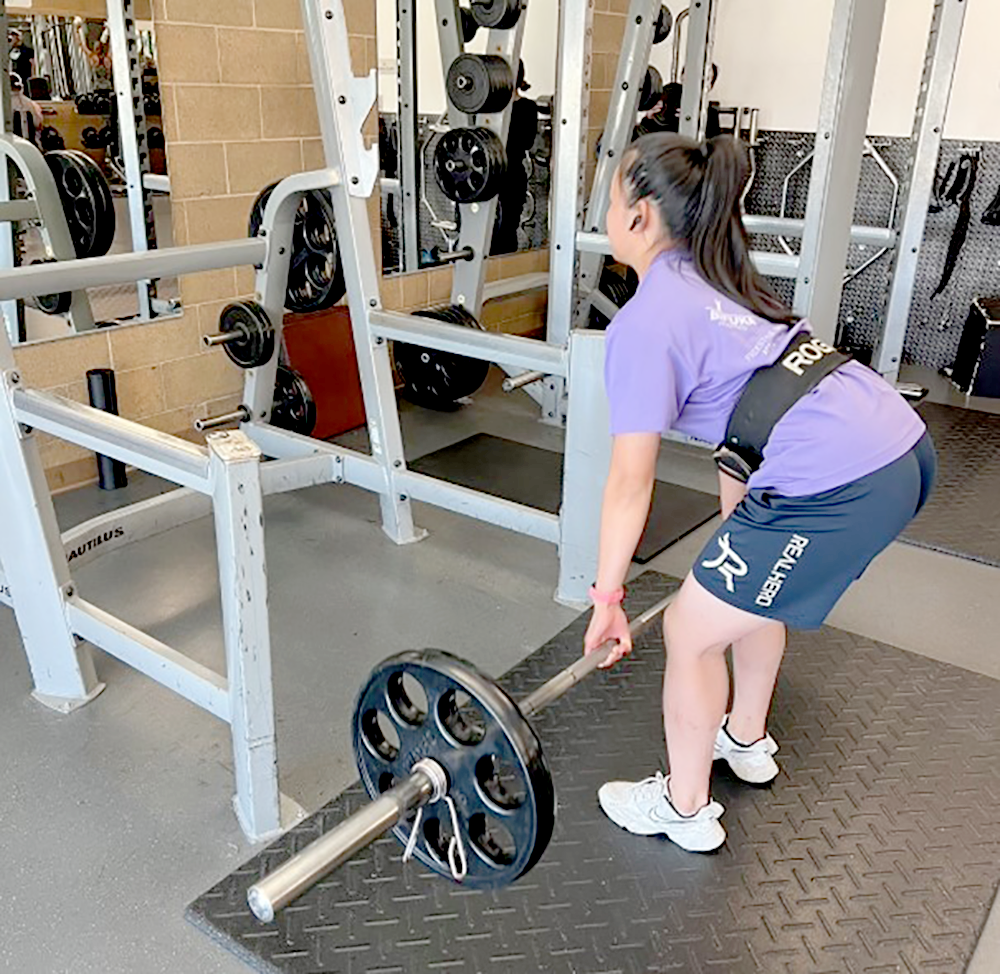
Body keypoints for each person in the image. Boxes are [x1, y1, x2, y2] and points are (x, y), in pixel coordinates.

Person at [583, 133, 936, 853]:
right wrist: (735, 538)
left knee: (688, 632)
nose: (607, 209)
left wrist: (607, 599)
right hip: (899, 444)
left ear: (642, 215)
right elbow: (749, 420)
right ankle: (742, 738)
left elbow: (629, 482)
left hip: (842, 480)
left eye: (613, 195)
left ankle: (685, 810)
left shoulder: (646, 325)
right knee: (742, 598)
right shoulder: (724, 276)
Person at [490, 60, 538, 256]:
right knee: (485, 234)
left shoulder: (527, 107)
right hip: (488, 179)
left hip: (511, 179)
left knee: (506, 232)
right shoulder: (490, 109)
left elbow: (525, 142)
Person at [10, 73, 43, 147]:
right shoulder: (31, 105)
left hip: (12, 146)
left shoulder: (4, 105)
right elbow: (38, 124)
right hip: (32, 145)